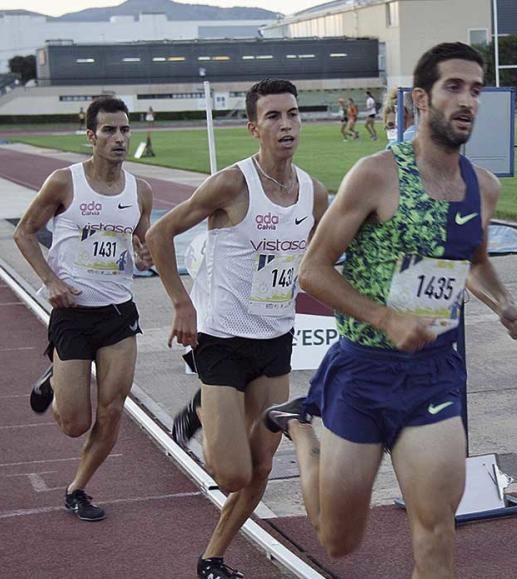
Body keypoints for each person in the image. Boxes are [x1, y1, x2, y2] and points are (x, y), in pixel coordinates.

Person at [263, 42, 517, 576]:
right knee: (338, 541)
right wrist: (387, 318)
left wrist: (505, 305)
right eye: (453, 87)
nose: (467, 101)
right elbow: (313, 270)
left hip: (435, 376)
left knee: (436, 529)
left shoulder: (482, 187)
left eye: (476, 90)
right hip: (364, 373)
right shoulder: (376, 174)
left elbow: (474, 262)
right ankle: (301, 430)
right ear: (421, 98)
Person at [145, 78, 328, 579]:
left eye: (292, 114)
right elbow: (160, 233)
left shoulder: (314, 192)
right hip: (221, 340)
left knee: (262, 469)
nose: (286, 124)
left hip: (275, 340)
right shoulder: (232, 184)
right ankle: (200, 410)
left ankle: (212, 559)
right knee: (232, 476)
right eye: (273, 116)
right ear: (253, 127)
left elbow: (335, 253)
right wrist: (181, 303)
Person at [15, 97, 154, 521]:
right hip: (72, 314)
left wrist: (144, 254)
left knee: (114, 410)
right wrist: (51, 281)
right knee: (74, 423)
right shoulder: (64, 182)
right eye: (109, 130)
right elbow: (24, 233)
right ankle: (55, 378)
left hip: (117, 315)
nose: (119, 138)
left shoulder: (140, 191)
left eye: (125, 130)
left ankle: (78, 488)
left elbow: (141, 243)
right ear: (91, 136)